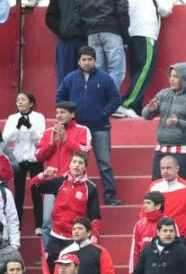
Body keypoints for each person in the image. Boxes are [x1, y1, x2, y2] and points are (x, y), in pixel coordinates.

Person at [54, 47, 120, 206]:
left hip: (100, 127)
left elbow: (116, 98)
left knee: (104, 163)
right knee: (75, 163)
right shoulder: (70, 78)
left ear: (95, 61)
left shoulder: (105, 78)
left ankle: (110, 196)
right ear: (78, 61)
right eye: (83, 59)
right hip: (77, 128)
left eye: (90, 59)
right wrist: (69, 115)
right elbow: (59, 97)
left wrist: (104, 112)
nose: (87, 62)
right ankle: (71, 195)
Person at [139, 64, 186, 179]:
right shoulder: (163, 94)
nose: (172, 79)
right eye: (170, 76)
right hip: (161, 149)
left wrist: (178, 122)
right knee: (156, 188)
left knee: (178, 188)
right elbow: (146, 116)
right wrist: (150, 110)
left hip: (182, 151)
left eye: (176, 77)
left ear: (184, 79)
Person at [4, 93, 44, 222]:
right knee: (19, 193)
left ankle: (39, 224)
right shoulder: (12, 118)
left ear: (31, 103)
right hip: (18, 158)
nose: (19, 102)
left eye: (23, 99)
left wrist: (30, 127)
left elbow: (40, 141)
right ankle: (18, 223)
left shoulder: (39, 117)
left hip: (34, 158)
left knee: (37, 192)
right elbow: (5, 140)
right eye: (17, 100)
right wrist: (16, 128)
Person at [145, 155, 186, 239]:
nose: (165, 171)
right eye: (163, 168)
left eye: (168, 168)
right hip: (156, 237)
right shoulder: (153, 187)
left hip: (180, 238)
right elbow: (145, 212)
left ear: (177, 168)